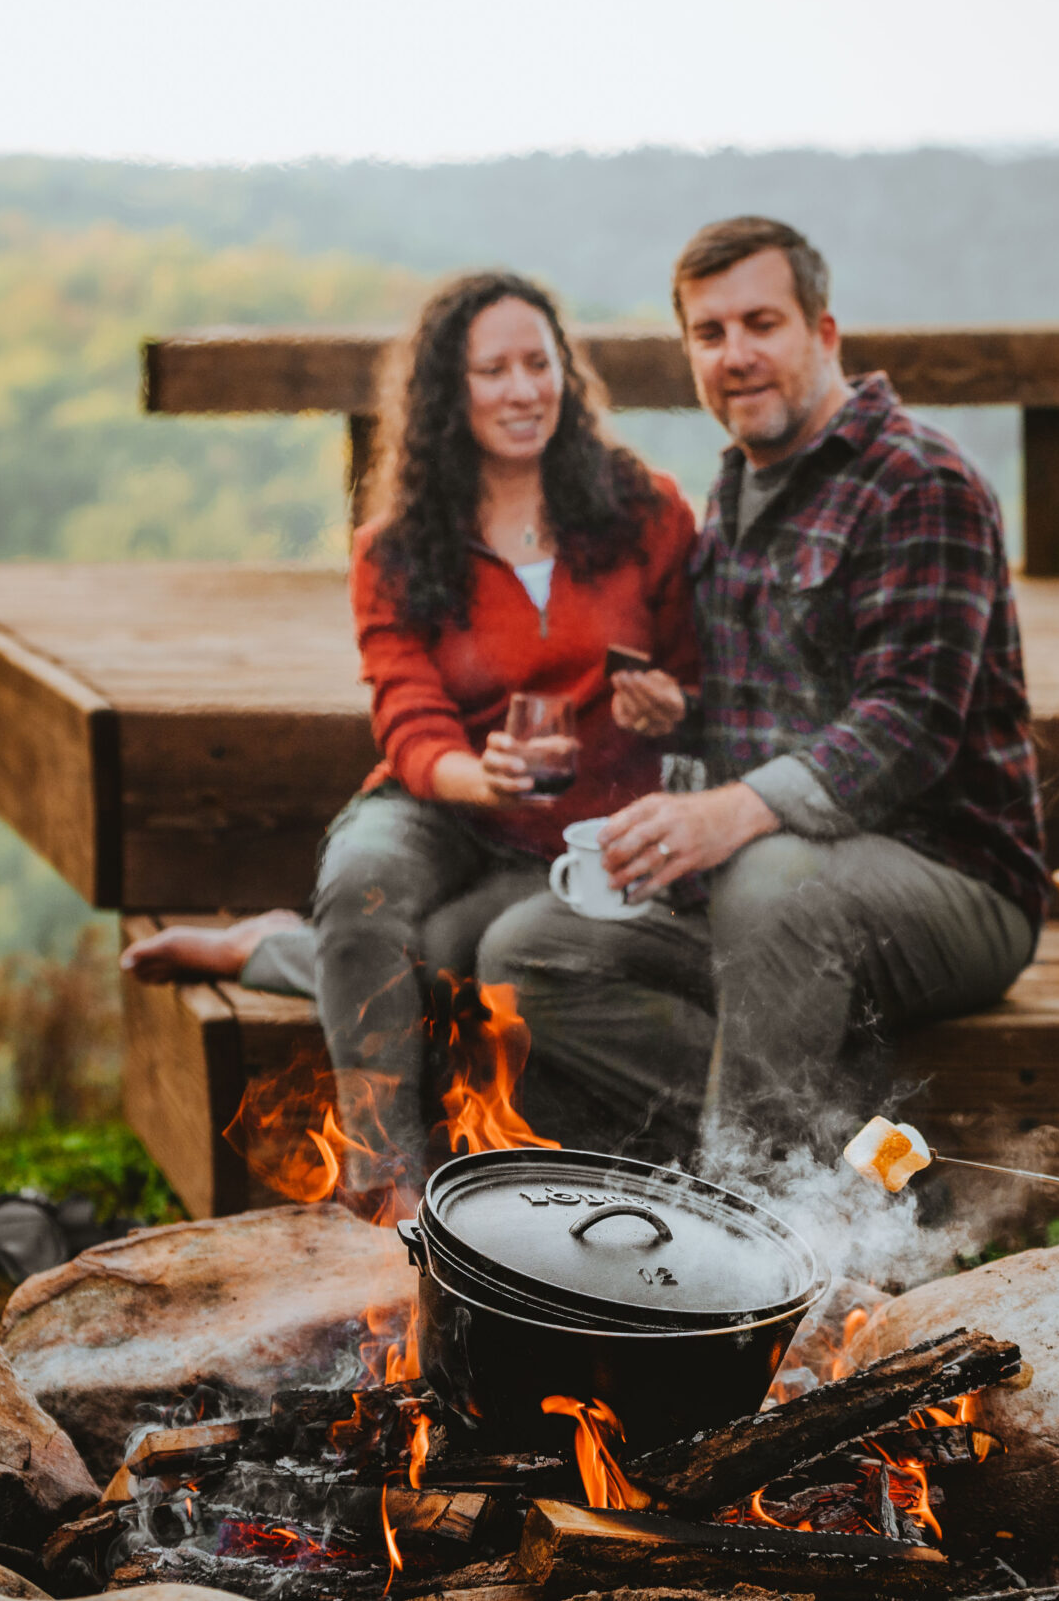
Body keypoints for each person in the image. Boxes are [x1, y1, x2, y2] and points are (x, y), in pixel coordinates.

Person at [476, 217, 1046, 1167]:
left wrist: (731, 811)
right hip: (773, 881)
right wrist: (682, 714)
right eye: (709, 333)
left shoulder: (920, 481)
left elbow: (907, 722)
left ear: (823, 332)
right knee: (526, 953)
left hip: (954, 880)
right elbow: (778, 708)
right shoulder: (739, 487)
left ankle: (741, 1235)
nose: (735, 355)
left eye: (761, 323)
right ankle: (823, 1153)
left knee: (771, 882)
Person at [120, 271, 700, 1187]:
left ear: (566, 374)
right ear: (447, 391)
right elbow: (406, 713)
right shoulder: (394, 547)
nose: (522, 389)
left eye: (538, 364)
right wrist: (482, 775)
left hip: (578, 823)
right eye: (492, 369)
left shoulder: (647, 512)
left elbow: (699, 674)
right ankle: (382, 1180)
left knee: (454, 975)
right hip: (441, 796)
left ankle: (271, 949)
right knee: (363, 888)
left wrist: (672, 702)